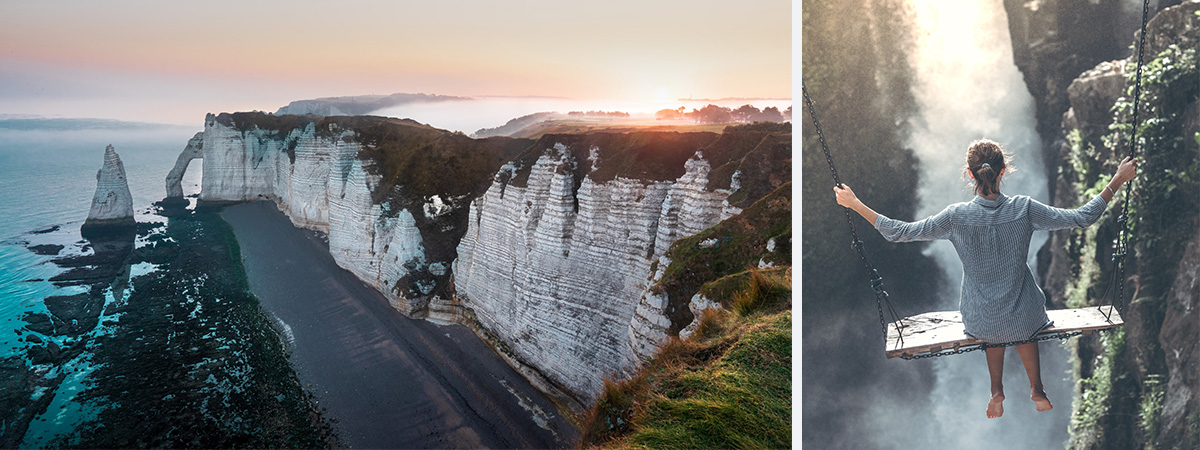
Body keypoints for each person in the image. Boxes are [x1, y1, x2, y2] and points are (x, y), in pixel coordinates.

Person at [834, 138, 1137, 419]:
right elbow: (1083, 217)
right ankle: (1037, 388)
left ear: (969, 174)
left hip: (981, 319)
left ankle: (996, 390)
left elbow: (899, 232)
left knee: (992, 320)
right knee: (1023, 316)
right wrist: (1118, 180)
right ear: (1004, 171)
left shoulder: (955, 216)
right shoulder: (1024, 208)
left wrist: (855, 204)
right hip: (1025, 315)